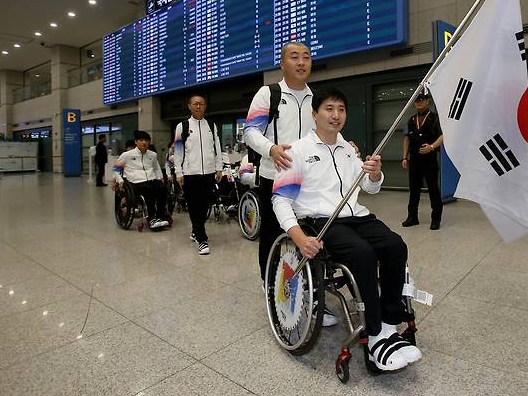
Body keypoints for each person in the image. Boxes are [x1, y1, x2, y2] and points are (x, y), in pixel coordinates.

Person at [272, 89, 422, 372]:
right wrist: (299, 237)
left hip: (357, 217)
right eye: (329, 108)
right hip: (322, 222)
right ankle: (375, 335)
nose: (336, 115)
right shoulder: (297, 151)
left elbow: (368, 188)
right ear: (314, 114)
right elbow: (280, 200)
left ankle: (390, 324)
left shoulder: (348, 150)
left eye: (341, 109)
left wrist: (375, 174)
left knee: (395, 245)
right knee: (363, 255)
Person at [244, 41, 337, 327]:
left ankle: (311, 295)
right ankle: (272, 286)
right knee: (273, 236)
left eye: (306, 57)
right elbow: (249, 132)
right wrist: (271, 149)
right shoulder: (268, 94)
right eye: (294, 57)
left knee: (308, 237)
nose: (301, 62)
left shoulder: (316, 99)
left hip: (309, 182)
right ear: (282, 63)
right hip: (275, 178)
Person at [173, 94, 222, 256]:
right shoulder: (183, 126)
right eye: (195, 104)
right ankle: (202, 239)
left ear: (205, 106)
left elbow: (217, 148)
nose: (198, 106)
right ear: (189, 106)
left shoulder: (212, 125)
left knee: (204, 205)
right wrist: (178, 172)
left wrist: (219, 167)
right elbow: (178, 151)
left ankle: (195, 230)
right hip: (190, 173)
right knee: (194, 206)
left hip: (208, 173)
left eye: (201, 104)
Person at [401, 92, 444, 230]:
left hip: (429, 159)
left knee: (433, 189)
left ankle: (436, 219)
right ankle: (412, 217)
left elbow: (443, 136)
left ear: (428, 101)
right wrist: (404, 157)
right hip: (414, 160)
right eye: (416, 100)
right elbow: (406, 138)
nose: (419, 102)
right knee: (414, 189)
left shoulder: (435, 118)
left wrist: (431, 147)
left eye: (422, 100)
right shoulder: (411, 120)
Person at [112, 130, 170, 230]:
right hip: (135, 182)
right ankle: (151, 219)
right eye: (141, 140)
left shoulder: (153, 155)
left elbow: (156, 169)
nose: (144, 142)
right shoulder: (127, 155)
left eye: (147, 140)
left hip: (151, 180)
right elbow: (116, 169)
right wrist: (120, 181)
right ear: (136, 142)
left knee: (163, 189)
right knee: (148, 190)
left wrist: (160, 178)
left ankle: (160, 216)